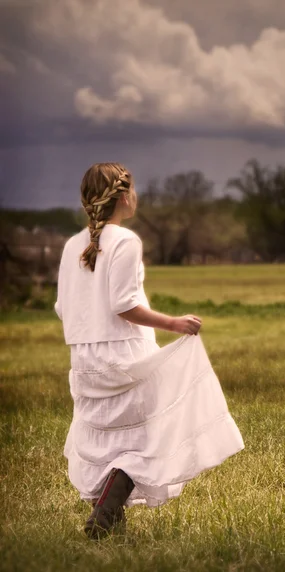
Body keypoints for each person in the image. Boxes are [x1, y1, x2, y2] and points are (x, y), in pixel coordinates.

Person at [54, 162, 244, 539]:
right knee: (147, 434)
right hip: (126, 353)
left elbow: (63, 307)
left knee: (104, 434)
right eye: (135, 189)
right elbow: (123, 304)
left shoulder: (72, 245)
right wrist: (174, 323)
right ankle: (107, 512)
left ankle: (107, 517)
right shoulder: (126, 241)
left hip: (86, 359)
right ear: (125, 196)